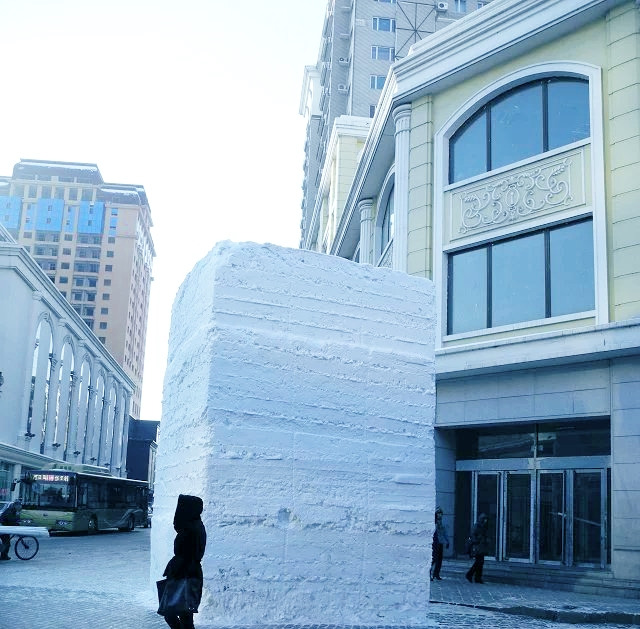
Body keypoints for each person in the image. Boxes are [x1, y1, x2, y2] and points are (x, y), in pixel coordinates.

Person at [161, 494, 207, 629]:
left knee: (175, 614)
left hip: (184, 574)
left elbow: (187, 553)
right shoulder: (195, 525)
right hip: (188, 573)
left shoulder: (190, 529)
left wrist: (174, 570)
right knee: (184, 615)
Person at [465, 513, 489, 584]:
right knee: (479, 562)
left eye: (486, 519)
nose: (486, 521)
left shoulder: (483, 526)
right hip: (477, 546)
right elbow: (472, 535)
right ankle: (470, 574)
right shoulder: (477, 526)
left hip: (481, 546)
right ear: (481, 519)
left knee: (480, 562)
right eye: (484, 519)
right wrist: (477, 540)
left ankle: (477, 578)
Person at [430, 506, 449, 581]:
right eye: (438, 513)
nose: (440, 515)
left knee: (439, 559)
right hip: (435, 543)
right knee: (434, 559)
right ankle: (429, 573)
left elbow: (445, 533)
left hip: (441, 542)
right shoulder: (434, 522)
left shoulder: (442, 523)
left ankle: (436, 573)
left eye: (441, 513)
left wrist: (447, 541)